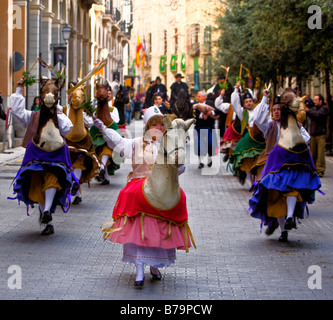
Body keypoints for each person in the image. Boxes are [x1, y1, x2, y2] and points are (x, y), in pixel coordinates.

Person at [95, 106, 195, 287]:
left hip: (162, 187)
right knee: (133, 196)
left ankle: (155, 265)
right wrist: (103, 128)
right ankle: (139, 267)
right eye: (153, 124)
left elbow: (180, 169)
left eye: (160, 124)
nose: (157, 127)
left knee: (179, 198)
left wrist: (178, 163)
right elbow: (117, 141)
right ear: (147, 126)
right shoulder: (136, 143)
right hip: (139, 183)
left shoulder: (169, 143)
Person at [249, 89, 321, 242]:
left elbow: (305, 140)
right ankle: (275, 221)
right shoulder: (269, 126)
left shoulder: (293, 126)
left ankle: (284, 228)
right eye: (274, 110)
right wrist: (264, 100)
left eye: (279, 110)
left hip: (288, 164)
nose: (276, 112)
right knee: (272, 197)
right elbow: (258, 119)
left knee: (290, 191)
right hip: (271, 163)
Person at [9, 77, 73, 236]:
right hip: (37, 153)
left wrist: (58, 112)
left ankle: (46, 212)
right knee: (37, 184)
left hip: (56, 154)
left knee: (52, 179)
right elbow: (17, 111)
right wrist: (18, 90)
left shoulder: (60, 118)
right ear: (41, 96)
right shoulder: (33, 116)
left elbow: (67, 128)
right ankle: (47, 218)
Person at [228, 82, 269, 186]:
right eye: (246, 102)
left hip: (260, 136)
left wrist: (265, 97)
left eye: (250, 101)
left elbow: (263, 109)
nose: (249, 103)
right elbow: (234, 103)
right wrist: (236, 89)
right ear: (244, 104)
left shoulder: (256, 110)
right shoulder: (242, 112)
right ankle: (252, 182)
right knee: (246, 159)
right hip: (248, 137)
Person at [193, 91, 219, 168]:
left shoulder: (210, 103)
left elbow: (217, 111)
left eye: (199, 96)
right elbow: (193, 115)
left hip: (209, 126)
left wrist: (210, 114)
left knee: (210, 143)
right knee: (199, 144)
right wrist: (201, 116)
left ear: (204, 97)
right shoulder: (195, 105)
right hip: (199, 127)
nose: (197, 98)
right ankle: (201, 162)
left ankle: (210, 158)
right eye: (197, 96)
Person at [304, 94, 328, 177]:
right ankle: (313, 168)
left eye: (316, 100)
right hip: (313, 134)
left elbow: (318, 114)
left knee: (320, 153)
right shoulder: (313, 109)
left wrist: (308, 111)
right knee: (312, 152)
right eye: (314, 100)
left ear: (320, 101)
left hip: (321, 134)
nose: (314, 101)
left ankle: (320, 170)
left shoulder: (324, 108)